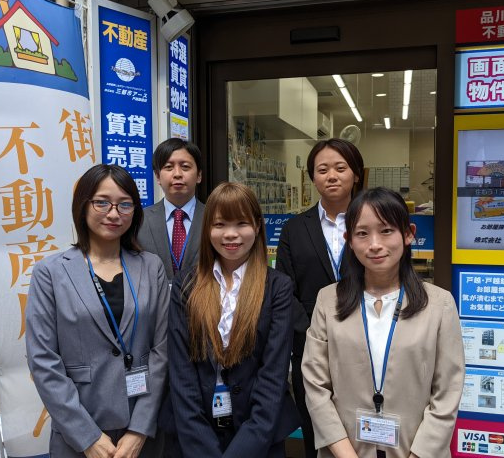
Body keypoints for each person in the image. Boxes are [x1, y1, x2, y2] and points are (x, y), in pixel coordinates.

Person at [302, 187, 465, 458]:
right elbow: (315, 385)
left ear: (409, 234)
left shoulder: (440, 304)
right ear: (349, 240)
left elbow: (447, 392)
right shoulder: (328, 300)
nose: (374, 244)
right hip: (345, 451)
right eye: (362, 233)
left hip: (415, 450)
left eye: (386, 230)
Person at [26, 164, 169, 458]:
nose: (114, 213)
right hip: (78, 434)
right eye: (102, 202)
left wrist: (139, 430)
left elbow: (162, 350)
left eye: (124, 204)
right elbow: (43, 359)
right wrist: (88, 437)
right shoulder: (50, 273)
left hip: (141, 430)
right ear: (83, 205)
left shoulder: (151, 266)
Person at [168, 182, 299, 457]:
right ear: (207, 229)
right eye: (220, 224)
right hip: (195, 439)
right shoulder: (186, 284)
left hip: (260, 439)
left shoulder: (278, 287)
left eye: (241, 223)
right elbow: (181, 375)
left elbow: (273, 378)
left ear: (258, 226)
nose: (230, 234)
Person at [276, 138, 364, 458]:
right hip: (310, 350)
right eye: (322, 170)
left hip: (366, 345)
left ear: (356, 174)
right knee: (316, 432)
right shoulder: (294, 229)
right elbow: (285, 291)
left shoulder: (372, 225)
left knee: (364, 431)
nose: (332, 176)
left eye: (341, 168)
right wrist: (315, 332)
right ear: (312, 177)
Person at [137, 138, 204, 280]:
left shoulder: (215, 218)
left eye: (185, 167)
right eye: (168, 167)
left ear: (199, 175)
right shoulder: (139, 220)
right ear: (157, 176)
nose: (177, 174)